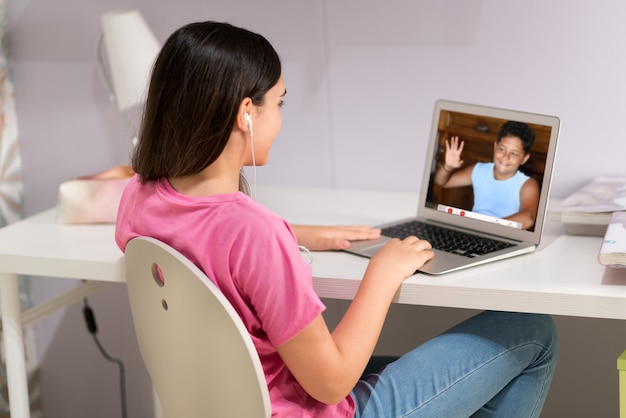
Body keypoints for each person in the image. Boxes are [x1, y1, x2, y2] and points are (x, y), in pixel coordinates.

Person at [115, 21, 558, 417]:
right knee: (534, 332)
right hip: (317, 406)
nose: (281, 121)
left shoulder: (141, 196)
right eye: (279, 104)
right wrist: (382, 273)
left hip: (241, 400)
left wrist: (297, 234)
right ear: (246, 114)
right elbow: (331, 383)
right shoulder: (253, 234)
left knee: (479, 387)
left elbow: (204, 233)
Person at [434, 122, 540, 230]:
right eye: (501, 149)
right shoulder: (479, 170)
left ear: (524, 158)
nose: (505, 156)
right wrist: (448, 167)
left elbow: (528, 219)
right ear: (495, 147)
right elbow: (442, 182)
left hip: (504, 234)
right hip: (474, 231)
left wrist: (486, 228)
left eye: (514, 153)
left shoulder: (527, 184)